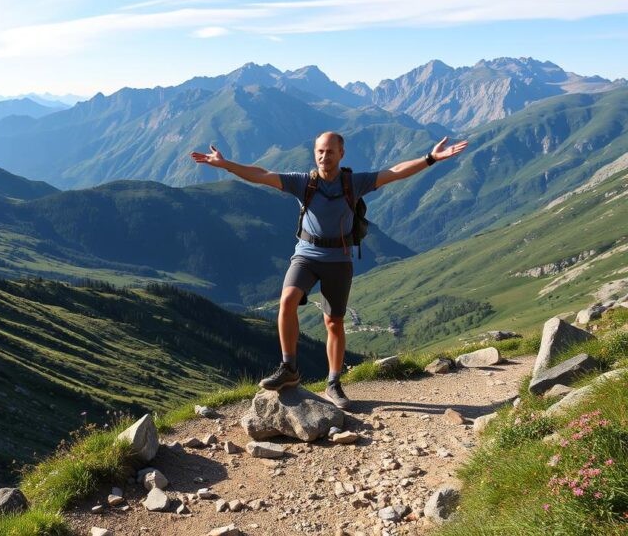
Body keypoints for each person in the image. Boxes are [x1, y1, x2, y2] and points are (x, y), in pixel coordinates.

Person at [191, 131, 467, 408]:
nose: (324, 157)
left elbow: (394, 172)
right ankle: (289, 368)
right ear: (315, 154)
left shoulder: (354, 183)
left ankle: (334, 383)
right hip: (306, 255)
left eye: (330, 152)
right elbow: (262, 175)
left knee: (333, 322)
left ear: (341, 154)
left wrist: (431, 158)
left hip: (339, 259)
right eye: (320, 151)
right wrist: (225, 164)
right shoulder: (303, 183)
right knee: (286, 302)